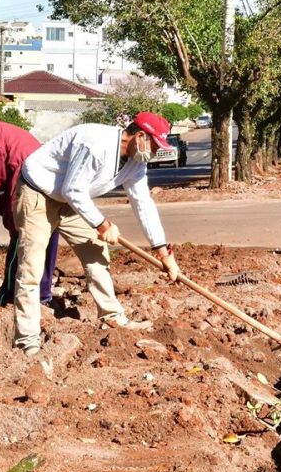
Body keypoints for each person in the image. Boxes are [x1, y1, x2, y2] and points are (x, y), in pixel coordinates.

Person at [13, 112, 181, 355]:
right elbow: (73, 189)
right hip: (39, 192)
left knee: (96, 251)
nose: (154, 153)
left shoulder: (136, 162)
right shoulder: (96, 143)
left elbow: (142, 202)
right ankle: (26, 339)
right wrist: (102, 225)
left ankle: (112, 315)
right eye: (154, 146)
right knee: (32, 265)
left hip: (70, 199)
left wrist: (163, 252)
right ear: (140, 136)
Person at [0, 118, 59, 305]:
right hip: (49, 182)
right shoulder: (4, 130)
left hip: (28, 182)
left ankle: (8, 295)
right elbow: (7, 177)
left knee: (20, 235)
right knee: (47, 233)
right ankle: (43, 295)